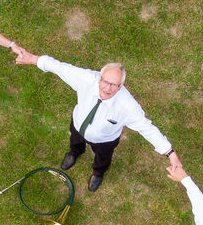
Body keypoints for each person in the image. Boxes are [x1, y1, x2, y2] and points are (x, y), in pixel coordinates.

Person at [12, 48, 179, 192]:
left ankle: (98, 173)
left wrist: (170, 154)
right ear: (99, 78)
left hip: (105, 140)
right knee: (75, 141)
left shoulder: (128, 107)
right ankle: (74, 153)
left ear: (120, 86)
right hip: (78, 124)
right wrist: (33, 59)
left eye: (114, 85)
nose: (107, 88)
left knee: (103, 157)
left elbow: (147, 128)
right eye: (105, 82)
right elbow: (60, 67)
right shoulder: (86, 79)